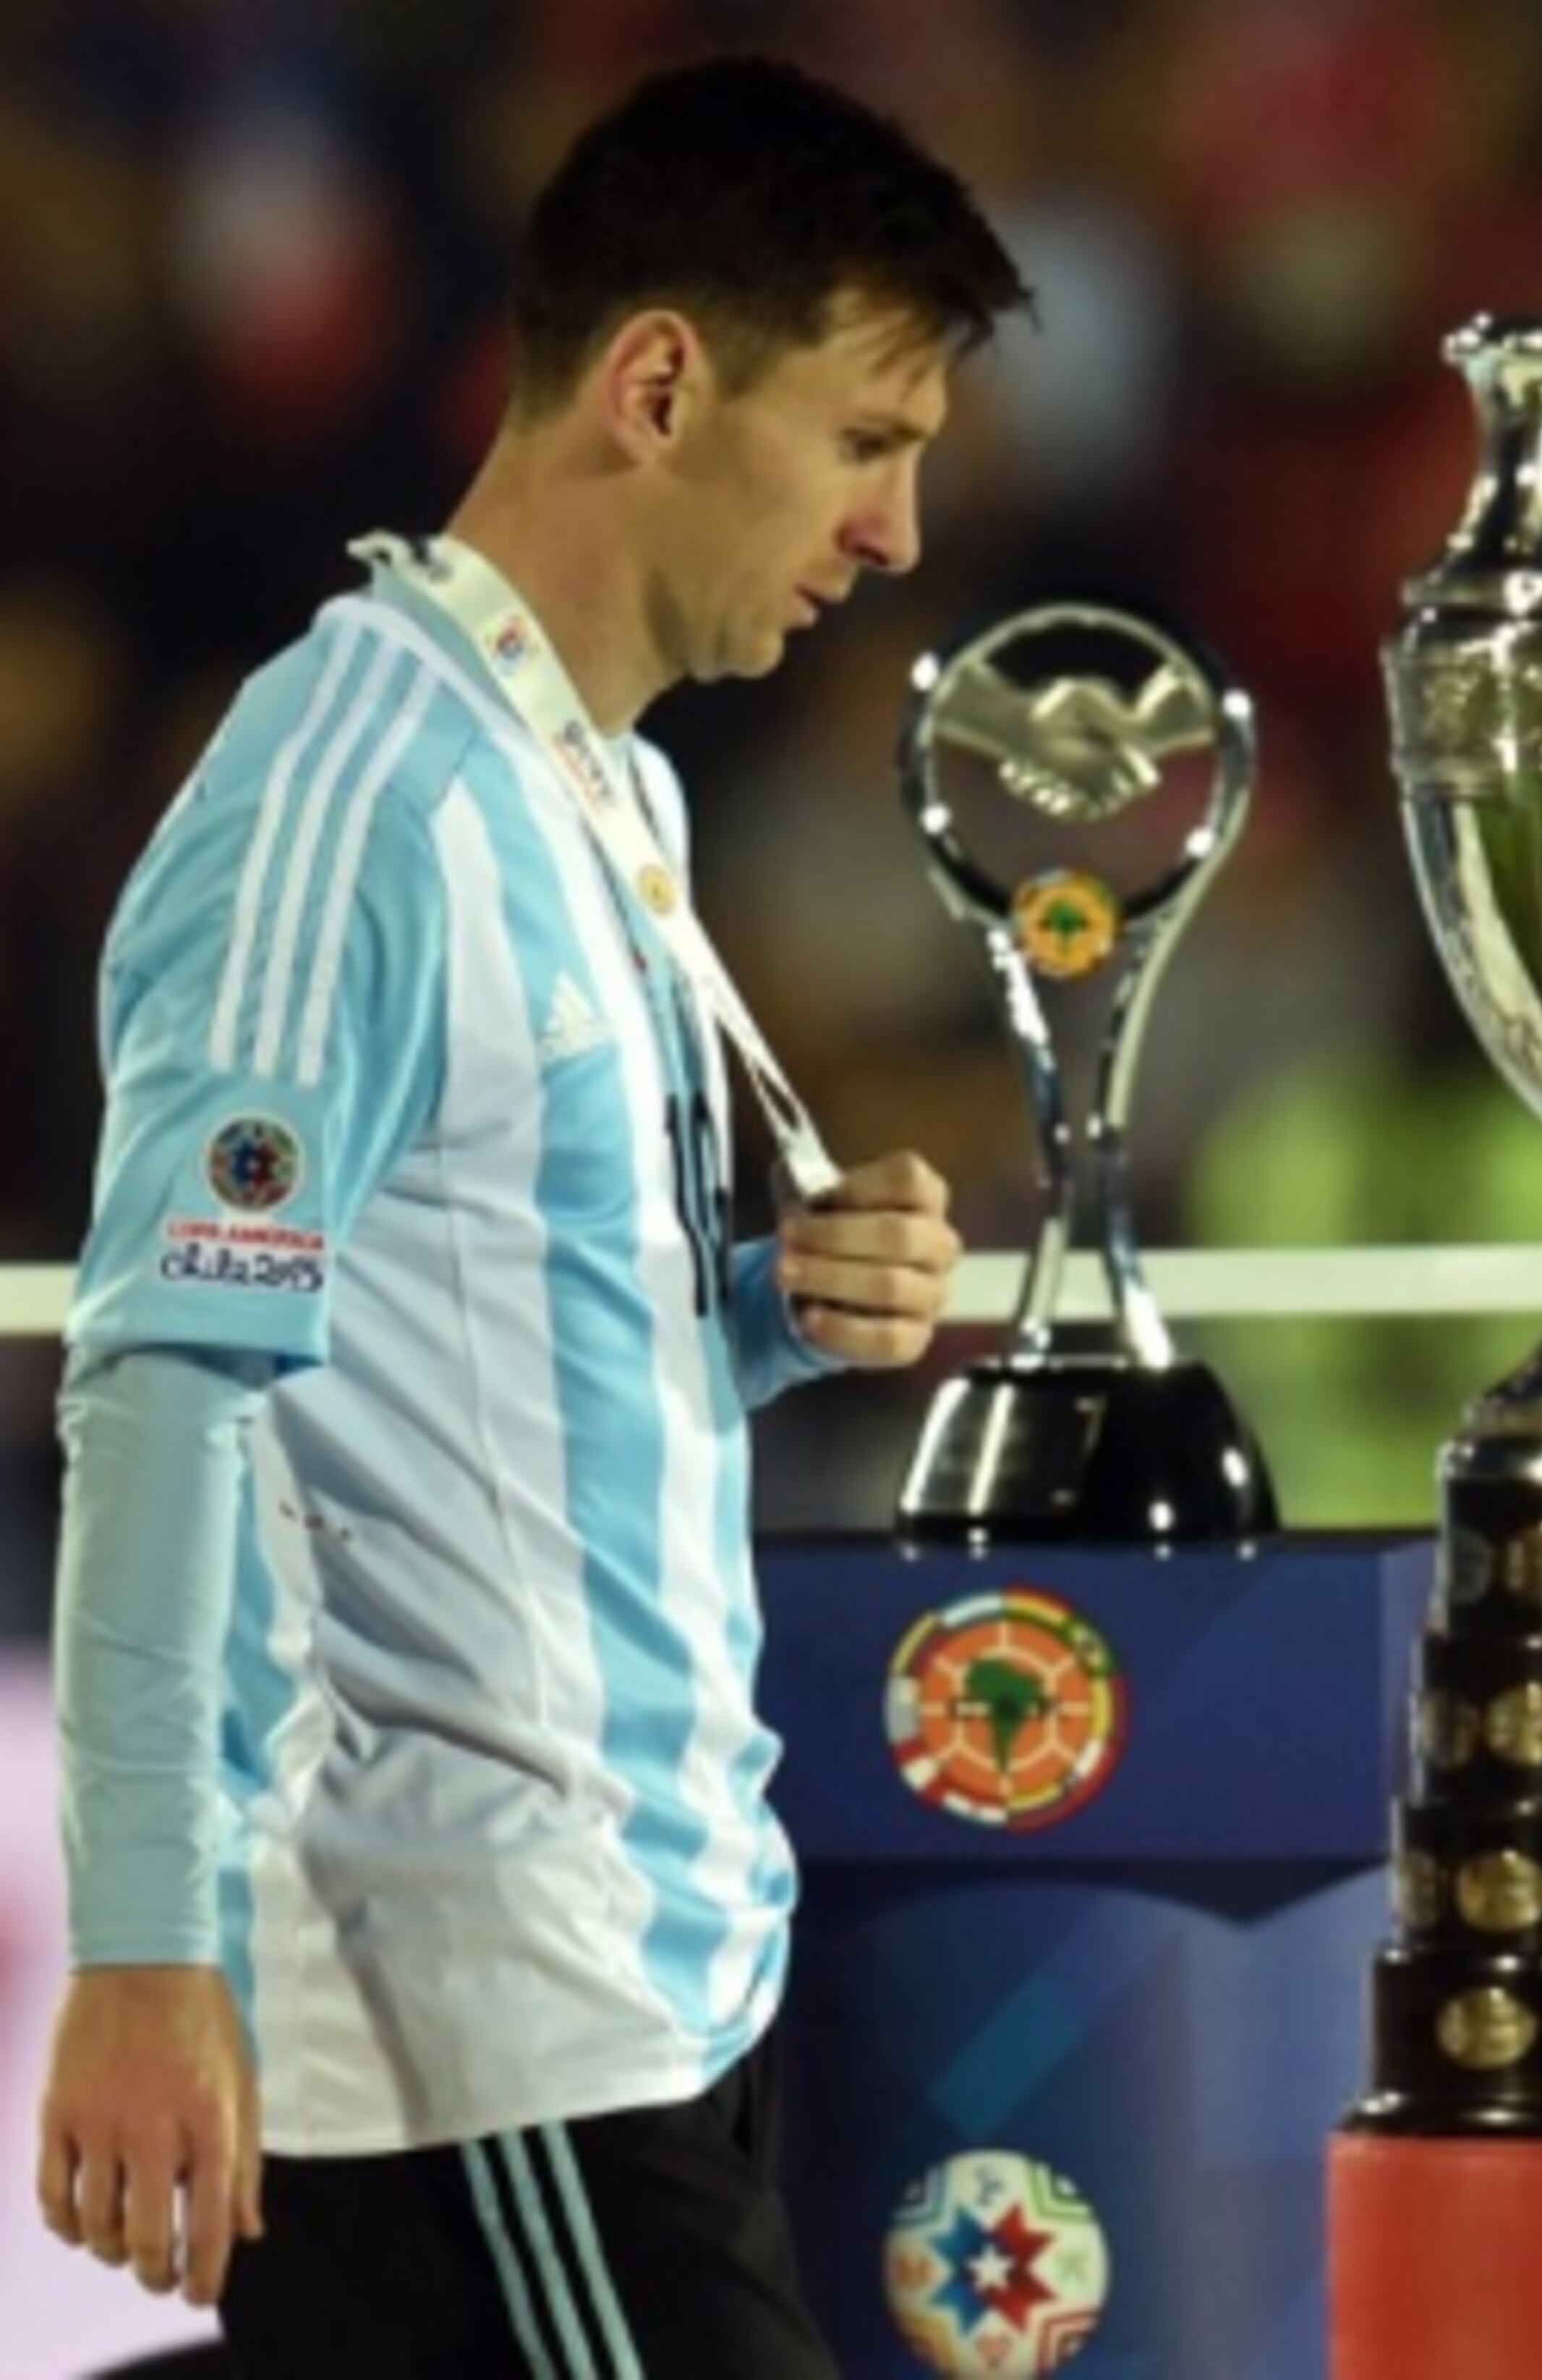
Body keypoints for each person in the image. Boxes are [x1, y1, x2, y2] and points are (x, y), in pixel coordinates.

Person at [35, 54, 1031, 2379]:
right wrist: (149, 1947)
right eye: (867, 444)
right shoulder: (354, 799)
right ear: (662, 381)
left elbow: (480, 1330)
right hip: (486, 2016)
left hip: (651, 1967)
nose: (895, 537)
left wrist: (770, 1312)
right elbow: (173, 1382)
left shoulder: (605, 787)